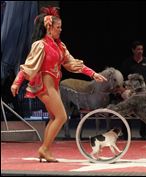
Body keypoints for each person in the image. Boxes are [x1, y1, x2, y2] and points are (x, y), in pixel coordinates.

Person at [10, 7, 107, 163]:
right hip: (45, 86)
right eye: (58, 27)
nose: (60, 30)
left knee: (55, 117)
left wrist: (92, 74)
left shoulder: (60, 46)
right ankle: (44, 148)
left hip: (54, 86)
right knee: (62, 116)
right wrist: (17, 83)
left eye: (61, 27)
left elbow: (72, 63)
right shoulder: (40, 45)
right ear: (49, 27)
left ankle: (45, 150)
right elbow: (28, 66)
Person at [121, 40, 146, 140]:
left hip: (143, 92)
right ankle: (126, 134)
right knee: (126, 112)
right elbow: (122, 78)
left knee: (145, 112)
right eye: (138, 49)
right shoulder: (127, 62)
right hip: (130, 92)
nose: (140, 51)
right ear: (133, 50)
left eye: (141, 49)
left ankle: (144, 134)